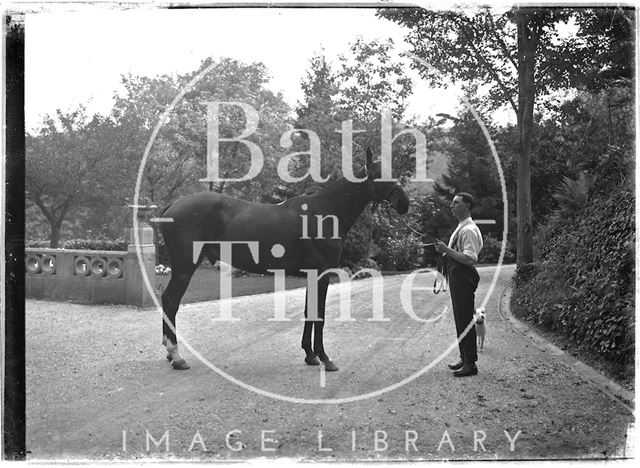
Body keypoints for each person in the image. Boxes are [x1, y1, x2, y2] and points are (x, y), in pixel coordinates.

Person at [434, 192, 483, 377]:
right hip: (457, 277)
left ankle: (470, 364)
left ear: (467, 206)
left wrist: (446, 250)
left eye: (456, 203)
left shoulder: (468, 229)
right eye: (452, 202)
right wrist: (445, 251)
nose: (451, 206)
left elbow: (470, 259)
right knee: (460, 318)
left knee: (465, 319)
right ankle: (465, 357)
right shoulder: (462, 226)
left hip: (464, 277)